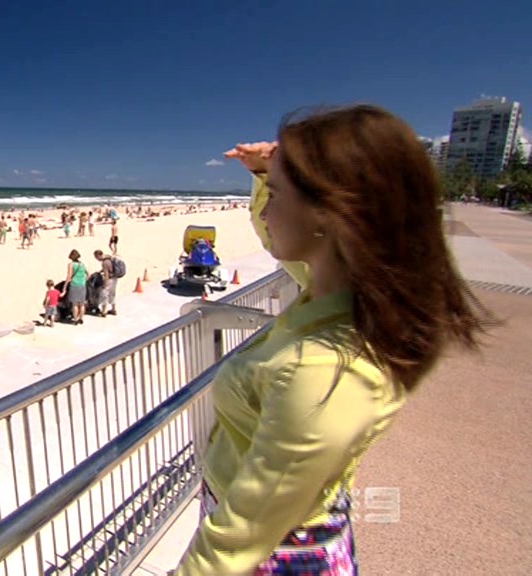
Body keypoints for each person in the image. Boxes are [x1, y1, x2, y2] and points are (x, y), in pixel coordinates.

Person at [174, 105, 491, 575]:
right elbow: (281, 239)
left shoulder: (326, 368)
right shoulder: (349, 295)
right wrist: (266, 173)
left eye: (275, 195)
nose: (265, 210)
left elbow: (240, 537)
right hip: (287, 530)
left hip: (270, 556)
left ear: (329, 213)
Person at [60, 249, 88, 325]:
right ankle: (81, 318)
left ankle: (75, 319)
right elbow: (88, 273)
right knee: (82, 304)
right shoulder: (82, 264)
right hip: (82, 284)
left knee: (75, 304)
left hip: (74, 284)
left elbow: (69, 275)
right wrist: (84, 280)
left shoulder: (71, 264)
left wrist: (65, 286)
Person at [93, 249, 117, 316]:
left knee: (104, 294)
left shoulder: (104, 262)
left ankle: (104, 311)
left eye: (96, 257)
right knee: (112, 294)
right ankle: (113, 309)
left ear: (98, 255)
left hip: (109, 279)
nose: (96, 259)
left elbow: (106, 274)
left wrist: (105, 284)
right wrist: (101, 271)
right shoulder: (109, 259)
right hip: (114, 278)